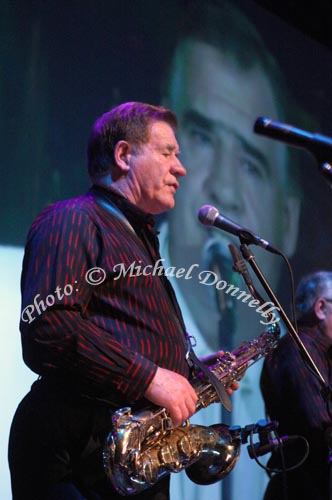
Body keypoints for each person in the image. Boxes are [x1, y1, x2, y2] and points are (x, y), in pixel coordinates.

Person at [8, 101, 237, 500]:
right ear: (124, 155)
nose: (180, 168)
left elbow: (121, 329)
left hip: (128, 459)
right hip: (75, 453)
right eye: (168, 153)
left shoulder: (140, 238)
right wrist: (151, 377)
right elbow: (47, 327)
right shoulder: (73, 219)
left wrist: (191, 373)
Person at [159, 1, 308, 499]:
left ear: (288, 220)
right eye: (199, 138)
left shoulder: (292, 385)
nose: (221, 184)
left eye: (250, 164)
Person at [261, 270, 332, 500]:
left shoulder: (319, 352)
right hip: (302, 489)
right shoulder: (297, 349)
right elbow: (320, 427)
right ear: (321, 308)